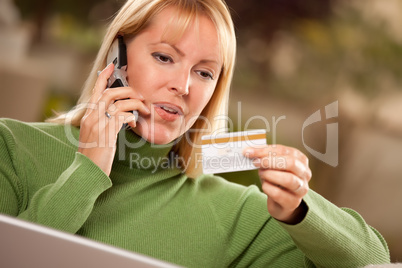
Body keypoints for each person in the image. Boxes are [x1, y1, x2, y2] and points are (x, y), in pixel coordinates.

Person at [0, 0, 391, 267]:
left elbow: (373, 260)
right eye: (164, 57)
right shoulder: (11, 146)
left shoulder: (238, 215)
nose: (183, 86)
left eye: (204, 72)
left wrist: (301, 208)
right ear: (115, 60)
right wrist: (87, 170)